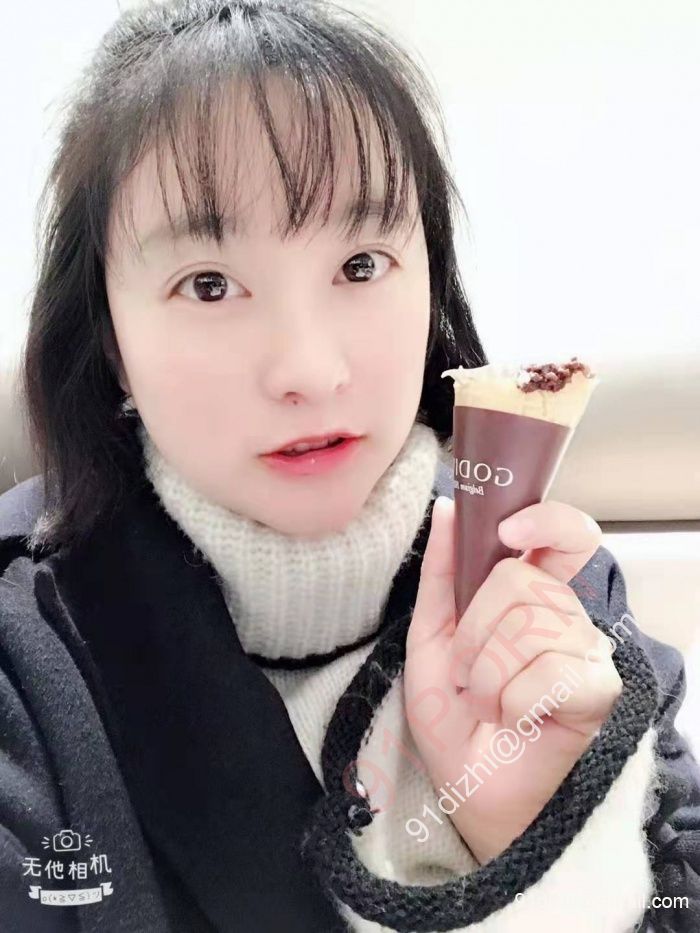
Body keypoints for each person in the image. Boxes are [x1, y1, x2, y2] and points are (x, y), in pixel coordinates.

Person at [1, 1, 699, 930]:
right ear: (109, 337)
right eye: (208, 284)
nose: (309, 368)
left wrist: (537, 839)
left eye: (362, 264)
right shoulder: (21, 657)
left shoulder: (548, 592)